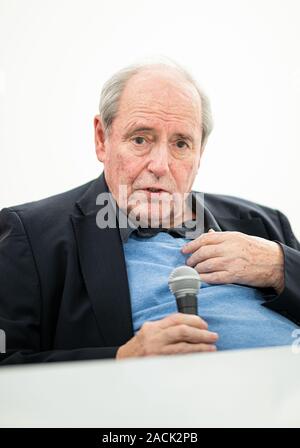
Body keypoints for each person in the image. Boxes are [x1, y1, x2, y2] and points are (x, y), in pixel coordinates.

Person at [0, 60, 299, 365]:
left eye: (181, 144)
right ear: (102, 139)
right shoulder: (30, 235)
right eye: (141, 139)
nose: (160, 165)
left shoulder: (265, 223)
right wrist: (120, 359)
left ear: (200, 153)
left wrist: (279, 266)